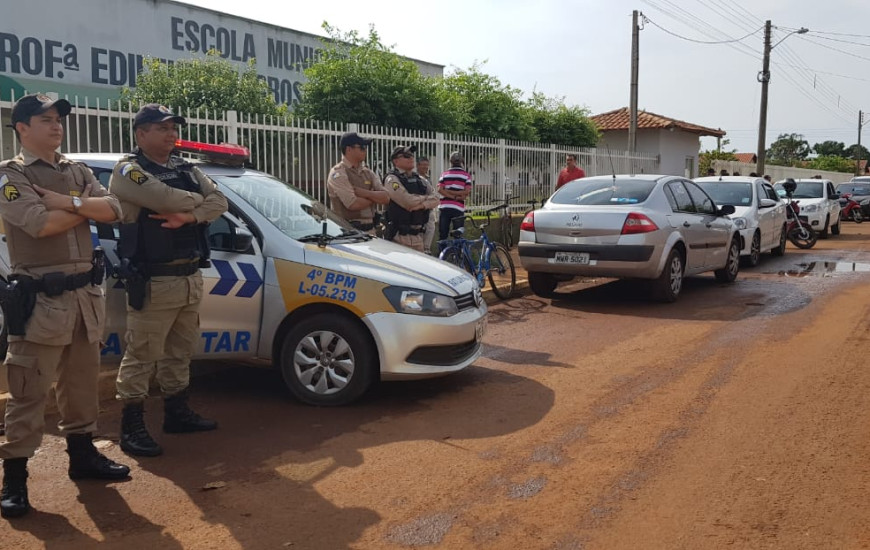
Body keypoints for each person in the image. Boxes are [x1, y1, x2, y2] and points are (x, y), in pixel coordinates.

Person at [0, 94, 130, 519]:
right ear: (22, 128)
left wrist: (68, 202)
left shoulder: (74, 170)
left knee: (80, 384)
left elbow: (115, 209)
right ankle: (15, 479)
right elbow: (40, 224)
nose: (56, 126)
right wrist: (82, 208)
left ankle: (83, 457)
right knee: (28, 390)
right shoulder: (9, 176)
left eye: (58, 120)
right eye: (45, 120)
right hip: (41, 299)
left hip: (83, 296)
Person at [109, 104, 228, 458]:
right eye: (161, 128)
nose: (170, 133)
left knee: (180, 351)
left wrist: (187, 217)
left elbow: (221, 201)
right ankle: (131, 427)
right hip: (154, 279)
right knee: (142, 355)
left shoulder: (185, 168)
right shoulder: (128, 171)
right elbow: (163, 198)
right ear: (140, 133)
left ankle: (177, 413)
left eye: (172, 127)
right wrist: (197, 204)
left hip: (189, 274)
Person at [326, 132, 389, 234]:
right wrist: (374, 198)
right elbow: (353, 204)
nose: (365, 150)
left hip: (371, 231)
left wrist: (365, 193)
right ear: (349, 149)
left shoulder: (367, 172)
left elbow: (386, 197)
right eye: (362, 147)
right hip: (348, 234)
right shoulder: (338, 173)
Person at [383, 146, 440, 252]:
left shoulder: (420, 179)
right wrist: (426, 199)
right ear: (395, 161)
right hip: (398, 238)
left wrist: (421, 205)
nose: (411, 158)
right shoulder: (392, 179)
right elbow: (407, 201)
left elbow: (436, 198)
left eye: (412, 156)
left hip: (418, 237)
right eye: (406, 156)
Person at [438, 151, 473, 241]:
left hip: (444, 207)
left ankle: (442, 253)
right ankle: (457, 254)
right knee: (458, 235)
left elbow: (440, 190)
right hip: (458, 207)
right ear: (461, 161)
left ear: (451, 161)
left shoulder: (444, 174)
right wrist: (457, 196)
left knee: (443, 234)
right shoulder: (466, 175)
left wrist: (449, 192)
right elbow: (467, 191)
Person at [417, 156, 437, 253]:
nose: (425, 167)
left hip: (429, 209)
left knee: (430, 228)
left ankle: (427, 249)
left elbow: (433, 194)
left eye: (427, 165)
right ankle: (421, 249)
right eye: (423, 165)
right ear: (418, 165)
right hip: (419, 209)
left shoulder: (428, 178)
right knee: (420, 230)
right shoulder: (415, 178)